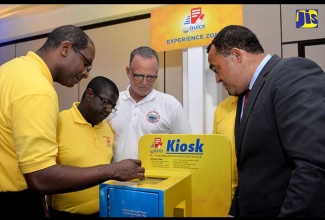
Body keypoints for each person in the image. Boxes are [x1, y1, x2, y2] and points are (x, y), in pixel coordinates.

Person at [0, 25, 145, 218]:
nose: (86, 73)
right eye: (86, 63)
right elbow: (41, 177)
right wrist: (113, 170)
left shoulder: (10, 70)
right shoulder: (38, 90)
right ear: (65, 49)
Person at [207, 24, 325, 217]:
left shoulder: (292, 73)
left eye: (217, 69)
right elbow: (249, 170)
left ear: (237, 55)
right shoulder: (245, 96)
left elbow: (313, 167)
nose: (218, 80)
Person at [49, 76, 119, 218]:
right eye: (106, 103)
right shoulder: (59, 122)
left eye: (112, 106)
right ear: (89, 94)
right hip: (64, 214)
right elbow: (43, 173)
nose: (108, 110)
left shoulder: (107, 128)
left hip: (104, 212)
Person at [107, 46, 192, 162]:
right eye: (139, 76)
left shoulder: (170, 105)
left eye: (151, 77)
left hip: (157, 178)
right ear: (128, 72)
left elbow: (187, 147)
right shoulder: (113, 102)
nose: (145, 83)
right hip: (115, 178)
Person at [212, 95, 238, 199]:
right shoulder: (222, 108)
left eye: (219, 76)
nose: (217, 80)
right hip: (226, 194)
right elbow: (216, 151)